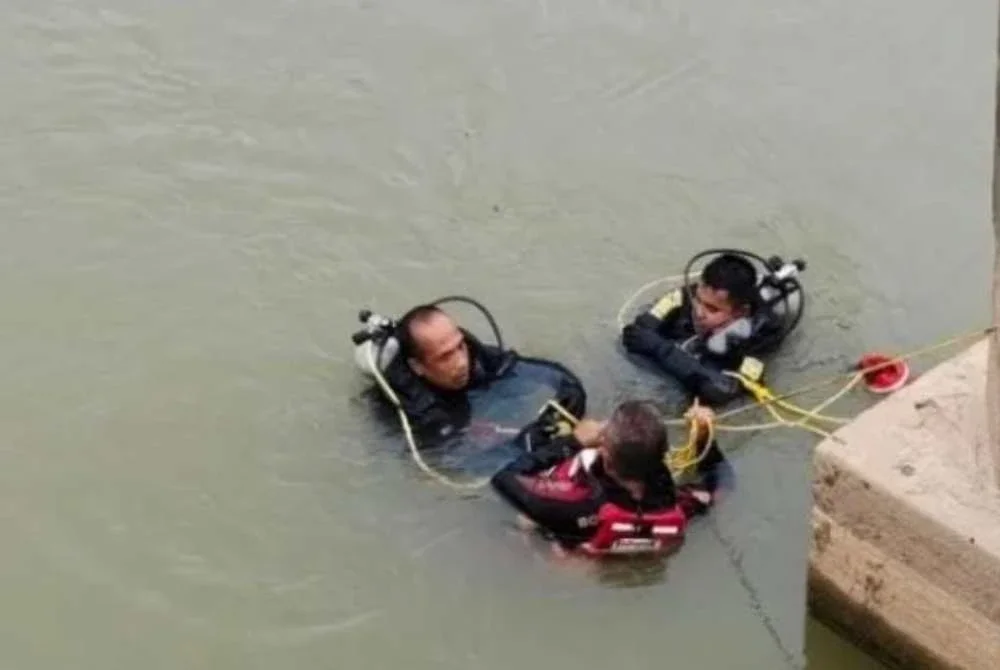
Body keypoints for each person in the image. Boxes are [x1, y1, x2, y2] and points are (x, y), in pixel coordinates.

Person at [490, 399, 725, 557]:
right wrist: (705, 438)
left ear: (605, 452)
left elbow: (503, 478)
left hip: (572, 547)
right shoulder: (680, 503)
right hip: (624, 555)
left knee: (524, 522)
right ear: (664, 453)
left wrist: (573, 442)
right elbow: (721, 480)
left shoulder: (573, 503)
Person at [366, 303, 587, 447]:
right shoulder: (419, 409)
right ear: (418, 367)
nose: (462, 362)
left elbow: (551, 375)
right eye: (445, 357)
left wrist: (568, 401)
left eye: (459, 346)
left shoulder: (476, 357)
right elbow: (467, 466)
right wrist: (548, 439)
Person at [620, 253, 769, 406]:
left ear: (740, 313)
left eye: (712, 309)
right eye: (698, 300)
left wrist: (662, 349)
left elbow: (722, 390)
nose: (699, 312)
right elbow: (635, 333)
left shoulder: (757, 338)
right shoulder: (681, 298)